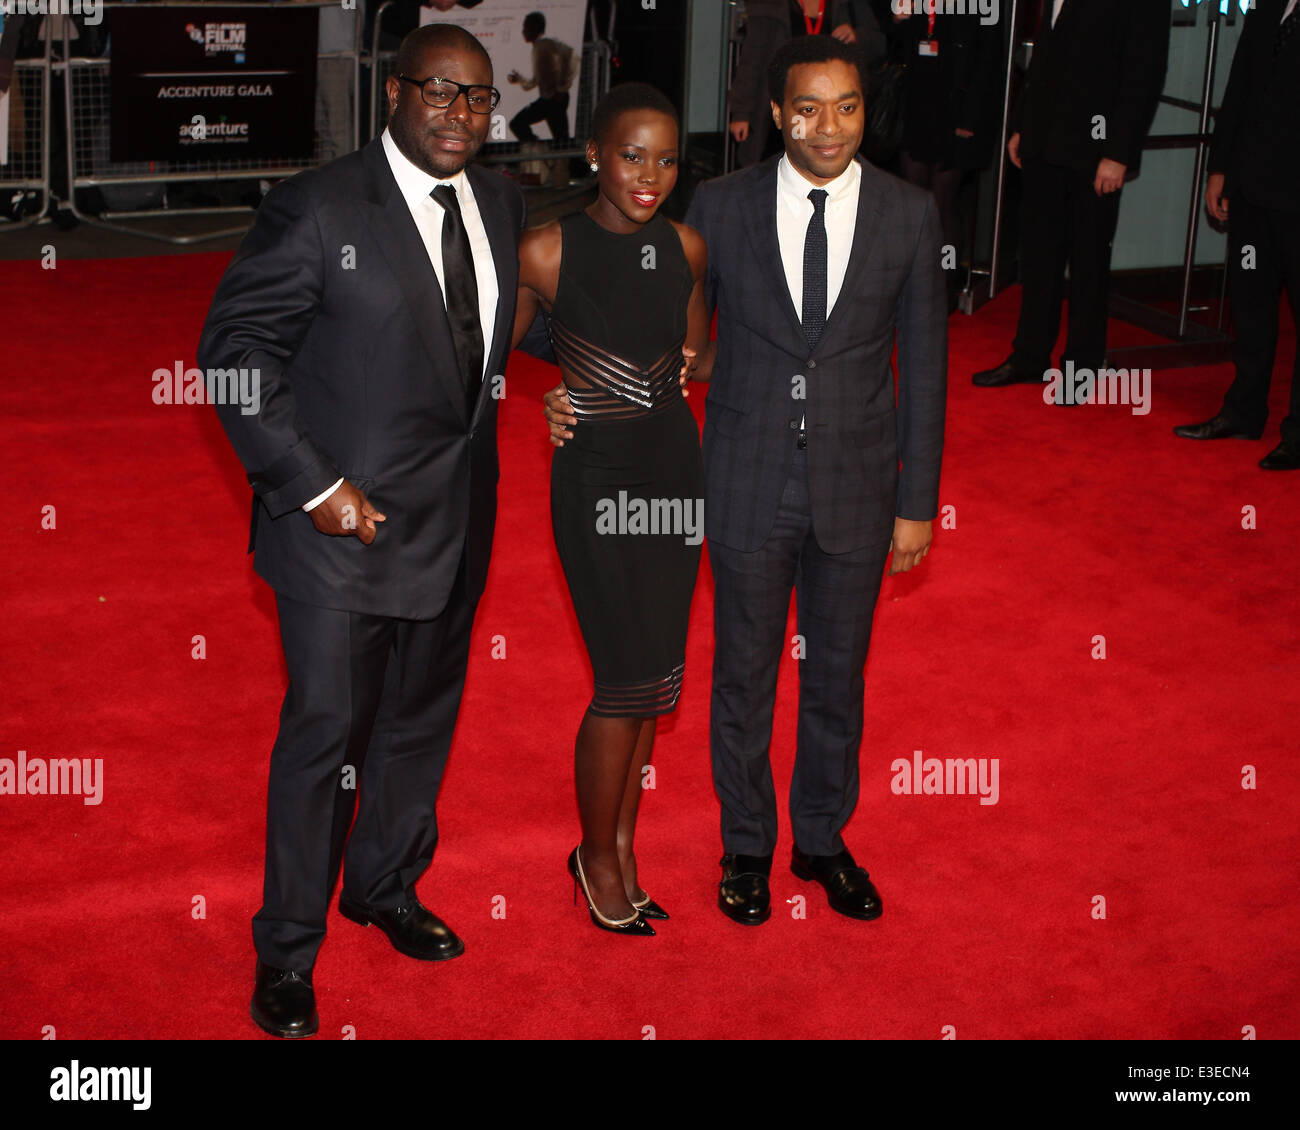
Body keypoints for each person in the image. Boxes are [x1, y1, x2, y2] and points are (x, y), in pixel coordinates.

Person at [548, 35, 946, 926]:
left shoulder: (909, 214)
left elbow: (925, 365)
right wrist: (573, 385)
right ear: (776, 114)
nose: (829, 127)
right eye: (807, 108)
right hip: (741, 477)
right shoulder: (717, 210)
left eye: (846, 107)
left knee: (839, 676)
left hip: (857, 485)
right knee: (743, 677)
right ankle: (748, 845)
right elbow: (640, 304)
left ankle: (824, 840)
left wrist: (917, 501)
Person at [198, 24, 524, 1038]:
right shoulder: (321, 204)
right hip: (341, 532)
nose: (459, 114)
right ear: (394, 93)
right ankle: (287, 949)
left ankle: (382, 883)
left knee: (419, 723)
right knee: (325, 736)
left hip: (457, 519)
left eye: (477, 98)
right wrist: (311, 482)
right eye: (439, 90)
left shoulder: (500, 200)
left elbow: (493, 326)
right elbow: (235, 351)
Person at [515, 83, 710, 935]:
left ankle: (624, 847)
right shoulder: (547, 251)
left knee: (656, 683)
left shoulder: (688, 246)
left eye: (667, 160)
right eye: (632, 155)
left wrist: (685, 360)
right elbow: (494, 352)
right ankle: (594, 858)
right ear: (595, 152)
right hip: (595, 481)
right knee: (622, 679)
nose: (650, 176)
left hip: (675, 472)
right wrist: (548, 397)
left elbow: (696, 359)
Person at [971, 0, 1169, 393]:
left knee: (1089, 261)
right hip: (1044, 143)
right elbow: (1046, 56)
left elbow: (1144, 71)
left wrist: (1119, 153)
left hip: (1096, 153)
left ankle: (1082, 367)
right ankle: (1029, 356)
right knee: (1039, 258)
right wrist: (1024, 126)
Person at [1174, 0, 1300, 471]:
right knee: (1250, 307)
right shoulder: (1269, 9)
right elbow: (1240, 87)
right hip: (1251, 192)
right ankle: (1243, 411)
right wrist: (1219, 169)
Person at [884, 1, 1002, 311]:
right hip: (917, 103)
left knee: (942, 204)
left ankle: (941, 286)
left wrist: (970, 120)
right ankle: (911, 284)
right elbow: (895, 37)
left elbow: (989, 58)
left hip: (956, 110)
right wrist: (897, 18)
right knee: (912, 202)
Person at [728, 0, 885, 169]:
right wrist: (741, 113)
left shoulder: (846, 5)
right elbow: (752, 61)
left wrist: (857, 36)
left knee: (828, 161)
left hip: (833, 105)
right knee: (778, 166)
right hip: (783, 108)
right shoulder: (770, 6)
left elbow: (879, 44)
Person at [508, 11, 579, 146]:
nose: (523, 31)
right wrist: (520, 80)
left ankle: (540, 151)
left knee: (518, 123)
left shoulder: (545, 44)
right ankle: (543, 152)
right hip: (549, 99)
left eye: (526, 27)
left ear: (534, 28)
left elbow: (572, 56)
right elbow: (535, 81)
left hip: (553, 100)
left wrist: (562, 88)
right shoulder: (537, 49)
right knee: (561, 140)